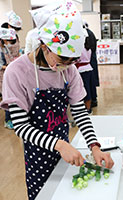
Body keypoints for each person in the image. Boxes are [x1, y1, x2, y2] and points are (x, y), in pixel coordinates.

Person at [0, 1, 114, 199]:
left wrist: (94, 146)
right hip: (38, 155)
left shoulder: (69, 71)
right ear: (44, 45)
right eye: (63, 59)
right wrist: (60, 145)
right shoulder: (17, 72)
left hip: (65, 151)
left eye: (73, 60)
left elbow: (80, 112)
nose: (68, 66)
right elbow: (20, 126)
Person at [1, 10, 22, 129]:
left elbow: (17, 52)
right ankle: (8, 119)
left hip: (15, 69)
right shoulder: (1, 41)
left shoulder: (15, 37)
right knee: (7, 95)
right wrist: (9, 66)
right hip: (5, 72)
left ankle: (17, 118)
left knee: (16, 94)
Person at [75, 35, 96, 114]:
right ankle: (89, 108)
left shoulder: (80, 50)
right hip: (89, 69)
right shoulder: (89, 49)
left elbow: (77, 60)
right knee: (89, 89)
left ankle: (86, 109)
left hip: (82, 70)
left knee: (84, 90)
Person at [83, 20, 99, 108]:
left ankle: (89, 102)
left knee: (86, 85)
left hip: (85, 64)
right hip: (90, 63)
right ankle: (94, 99)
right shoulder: (90, 33)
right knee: (91, 83)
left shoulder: (85, 34)